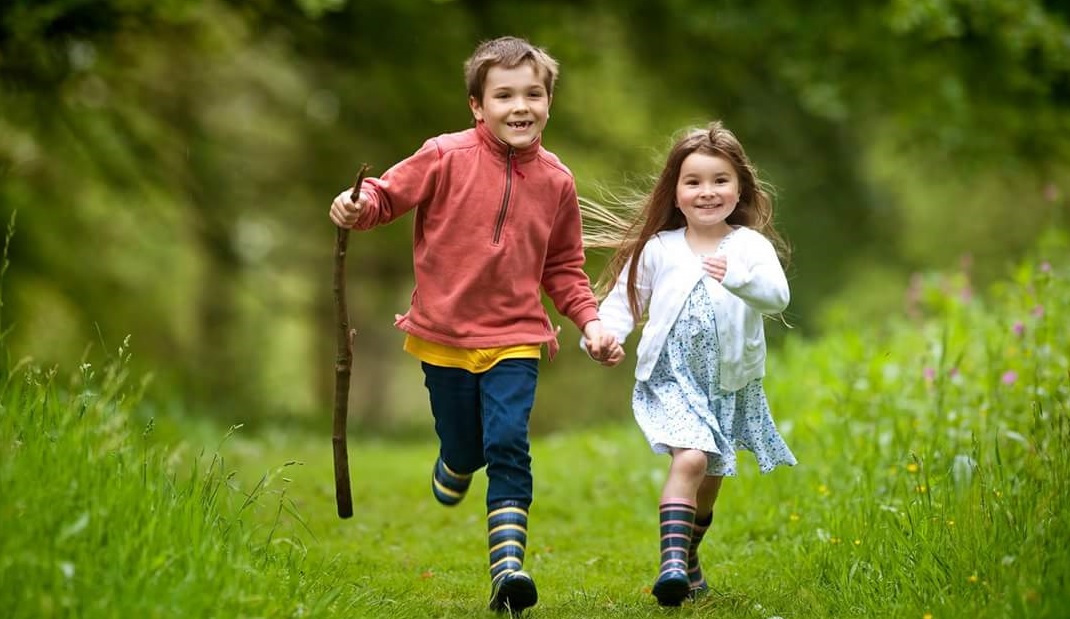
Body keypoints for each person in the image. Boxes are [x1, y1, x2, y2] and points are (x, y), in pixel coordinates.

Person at [328, 36, 622, 614]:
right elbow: (386, 198)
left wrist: (589, 322)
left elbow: (564, 266)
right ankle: (456, 460)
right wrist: (356, 206)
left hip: (517, 335)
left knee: (509, 442)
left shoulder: (557, 180)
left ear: (548, 103)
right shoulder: (444, 155)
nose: (521, 106)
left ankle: (508, 569)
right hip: (444, 335)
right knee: (465, 441)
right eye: (504, 94)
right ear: (476, 105)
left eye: (533, 94)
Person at [582, 121, 797, 606]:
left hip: (728, 385)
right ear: (675, 192)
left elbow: (778, 298)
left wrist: (739, 278)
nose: (707, 192)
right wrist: (604, 338)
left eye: (720, 180)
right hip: (671, 379)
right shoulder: (660, 249)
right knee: (692, 458)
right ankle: (672, 567)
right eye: (693, 181)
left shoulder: (749, 247)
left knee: (711, 482)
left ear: (739, 187)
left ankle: (690, 556)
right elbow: (624, 304)